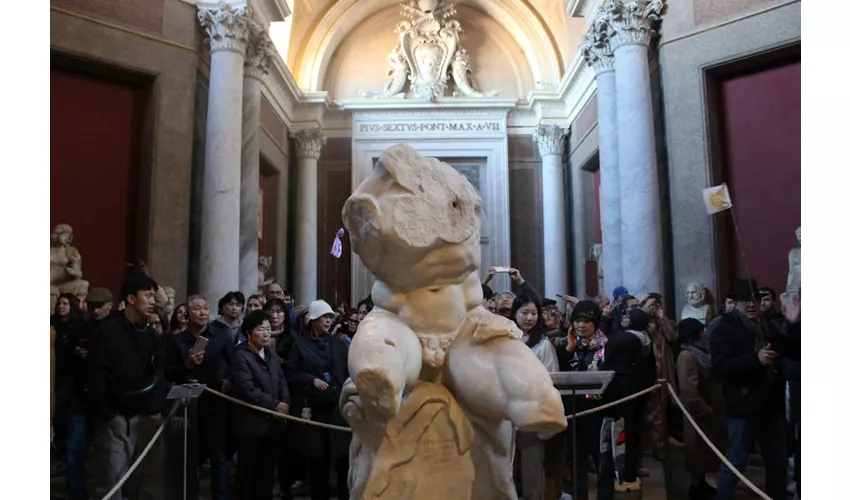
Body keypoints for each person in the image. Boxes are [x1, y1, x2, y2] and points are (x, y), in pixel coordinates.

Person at [89, 274, 167, 500]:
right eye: (148, 295)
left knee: (147, 479)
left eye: (154, 296)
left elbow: (159, 371)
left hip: (147, 416)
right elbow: (96, 373)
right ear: (132, 299)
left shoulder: (150, 332)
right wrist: (107, 412)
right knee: (113, 481)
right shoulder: (108, 331)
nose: (153, 300)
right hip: (117, 418)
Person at [710, 279, 789, 500]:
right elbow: (720, 367)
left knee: (777, 460)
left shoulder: (768, 326)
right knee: (736, 460)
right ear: (735, 303)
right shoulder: (724, 328)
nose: (751, 305)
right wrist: (755, 359)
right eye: (745, 301)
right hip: (742, 405)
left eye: (754, 299)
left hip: (771, 405)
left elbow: (787, 351)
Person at [163, 295, 233, 500]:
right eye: (197, 309)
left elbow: (234, 361)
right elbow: (168, 372)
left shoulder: (221, 335)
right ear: (186, 314)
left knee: (218, 454)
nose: (202, 312)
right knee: (189, 456)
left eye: (205, 308)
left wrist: (228, 379)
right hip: (187, 405)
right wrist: (187, 365)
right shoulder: (176, 340)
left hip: (215, 401)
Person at [285, 300, 351, 500]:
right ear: (312, 320)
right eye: (324, 317)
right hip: (315, 411)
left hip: (338, 412)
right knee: (318, 465)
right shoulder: (300, 345)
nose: (328, 320)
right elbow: (291, 373)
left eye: (330, 317)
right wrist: (311, 380)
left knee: (343, 464)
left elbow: (349, 372)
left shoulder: (340, 345)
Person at [229, 311, 291, 500]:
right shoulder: (241, 356)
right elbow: (247, 389)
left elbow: (282, 380)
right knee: (248, 475)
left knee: (267, 474)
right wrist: (275, 405)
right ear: (249, 333)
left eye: (268, 329)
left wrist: (285, 403)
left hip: (273, 425)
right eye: (260, 329)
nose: (266, 333)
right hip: (251, 425)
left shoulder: (271, 354)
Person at [559, 300, 617, 500]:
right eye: (577, 321)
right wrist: (569, 349)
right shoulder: (569, 346)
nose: (581, 326)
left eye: (586, 321)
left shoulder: (608, 346)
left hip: (600, 413)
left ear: (596, 322)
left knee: (603, 462)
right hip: (575, 414)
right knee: (577, 464)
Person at [510, 294, 561, 500]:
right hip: (506, 413)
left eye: (533, 313)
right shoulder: (504, 339)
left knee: (532, 467)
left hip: (531, 413)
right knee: (507, 469)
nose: (529, 318)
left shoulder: (543, 344)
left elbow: (550, 380)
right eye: (524, 312)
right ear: (515, 314)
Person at [676, 318, 725, 499]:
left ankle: (701, 482)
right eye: (702, 330)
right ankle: (696, 486)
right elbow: (689, 388)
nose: (705, 333)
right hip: (698, 413)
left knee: (704, 452)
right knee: (697, 450)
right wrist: (704, 410)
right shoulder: (687, 356)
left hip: (707, 407)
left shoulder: (700, 352)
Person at [616, 307, 654, 488]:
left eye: (627, 315)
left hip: (626, 392)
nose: (624, 317)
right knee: (635, 430)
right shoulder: (645, 338)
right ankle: (633, 467)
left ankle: (627, 472)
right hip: (641, 391)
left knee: (627, 431)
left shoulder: (626, 339)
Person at [51, 293, 85, 458]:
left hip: (70, 375)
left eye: (65, 303)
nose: (61, 307)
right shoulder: (52, 324)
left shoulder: (77, 326)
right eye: (59, 303)